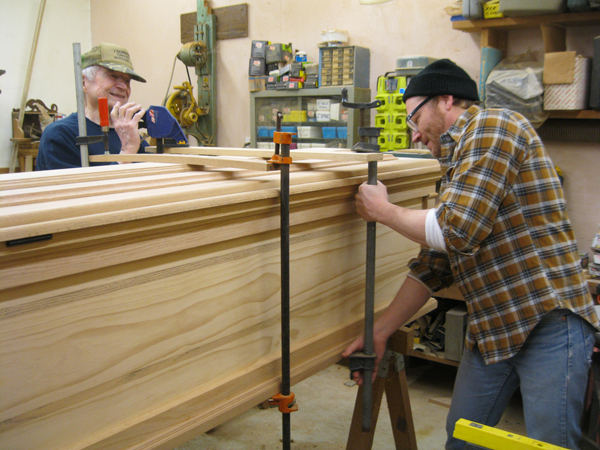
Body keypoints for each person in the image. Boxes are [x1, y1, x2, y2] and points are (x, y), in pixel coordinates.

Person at [342, 58, 599, 449]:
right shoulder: (457, 164)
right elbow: (432, 266)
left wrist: (385, 211)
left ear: (446, 100)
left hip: (548, 323)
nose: (413, 135)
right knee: (462, 438)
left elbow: (456, 230)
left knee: (553, 443)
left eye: (413, 119)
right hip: (494, 328)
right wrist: (380, 331)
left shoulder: (495, 127)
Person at [37, 43, 148, 170]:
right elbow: (77, 189)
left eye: (127, 81)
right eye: (113, 76)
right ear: (84, 82)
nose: (123, 86)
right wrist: (127, 152)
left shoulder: (127, 133)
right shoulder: (60, 135)